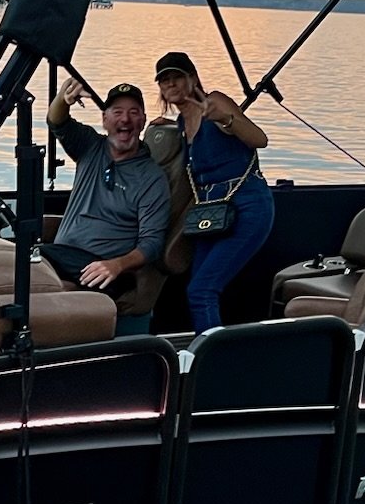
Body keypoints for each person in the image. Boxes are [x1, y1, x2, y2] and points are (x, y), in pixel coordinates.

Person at [154, 50, 274, 332]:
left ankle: (209, 360)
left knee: (202, 290)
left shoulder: (215, 102)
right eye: (163, 80)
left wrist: (228, 119)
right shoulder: (183, 123)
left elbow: (260, 139)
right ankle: (208, 351)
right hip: (213, 214)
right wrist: (169, 126)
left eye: (177, 77)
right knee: (197, 287)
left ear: (193, 78)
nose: (170, 84)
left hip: (247, 206)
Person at [43, 76, 171, 303]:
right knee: (13, 271)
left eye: (133, 112)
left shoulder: (152, 178)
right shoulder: (90, 146)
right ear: (104, 119)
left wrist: (117, 265)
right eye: (117, 112)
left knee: (51, 292)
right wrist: (63, 99)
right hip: (60, 256)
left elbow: (152, 244)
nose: (125, 119)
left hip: (105, 268)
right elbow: (56, 121)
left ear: (142, 121)